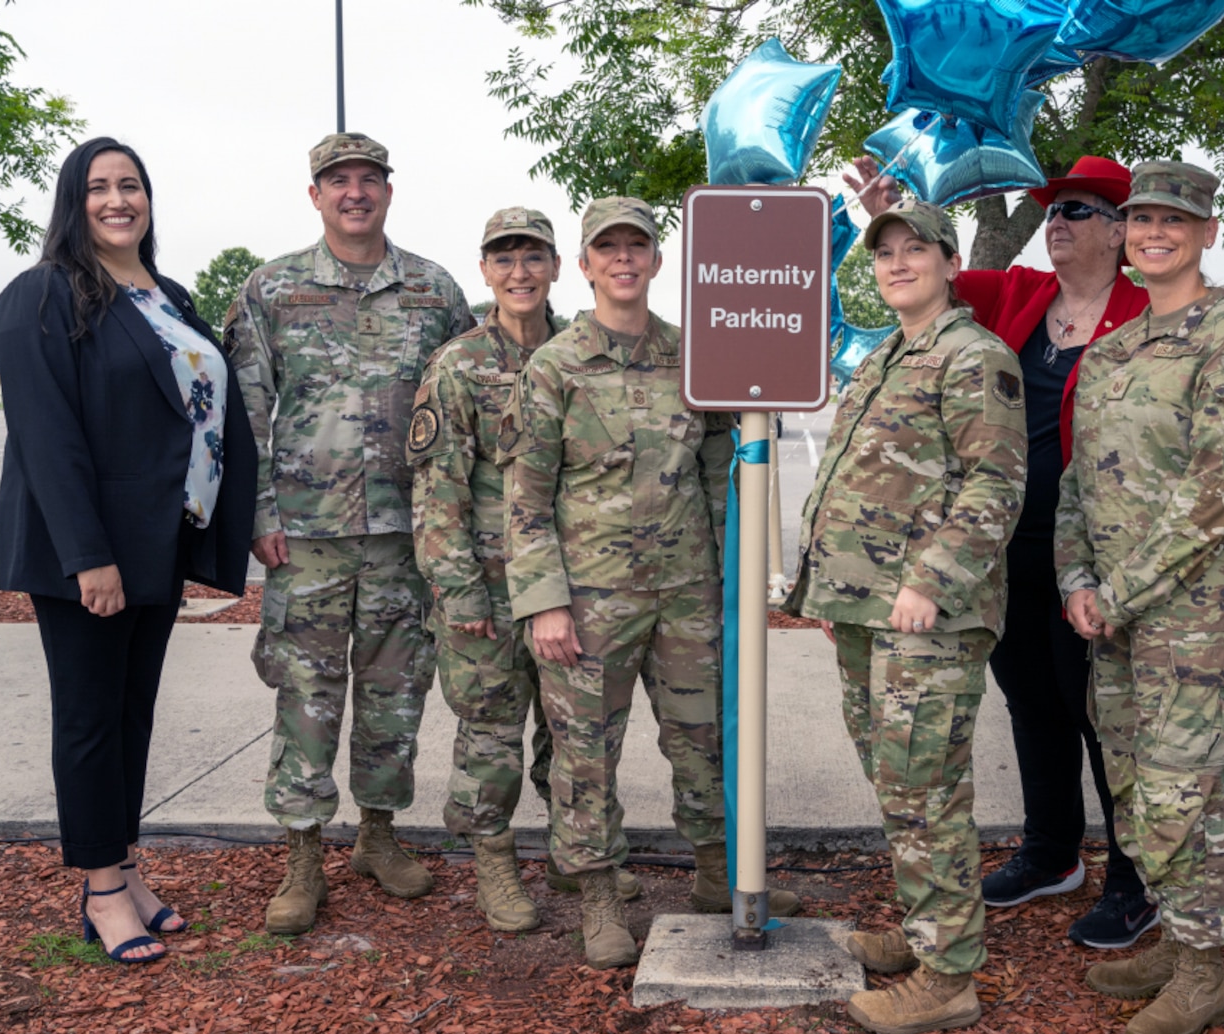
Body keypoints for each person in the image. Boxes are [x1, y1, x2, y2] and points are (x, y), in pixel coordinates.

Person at [847, 155, 1154, 943]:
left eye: (1078, 211)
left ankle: (1134, 875)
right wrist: (889, 210)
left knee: (1103, 715)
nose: (1057, 222)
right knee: (1033, 702)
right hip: (1011, 546)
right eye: (1053, 211)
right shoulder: (1020, 294)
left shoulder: (1149, 314)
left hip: (1100, 551)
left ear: (1120, 231)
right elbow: (922, 277)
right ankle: (1052, 850)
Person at [503, 196, 800, 969]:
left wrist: (735, 577)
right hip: (590, 600)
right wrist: (544, 603)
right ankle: (599, 892)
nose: (624, 259)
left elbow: (718, 468)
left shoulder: (696, 356)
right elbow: (527, 497)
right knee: (585, 754)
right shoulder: (555, 366)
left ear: (658, 261)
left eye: (637, 246)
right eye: (609, 248)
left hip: (687, 592)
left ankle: (716, 872)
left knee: (706, 739)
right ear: (587, 263)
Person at [0, 137, 256, 963]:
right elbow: (47, 438)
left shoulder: (167, 294)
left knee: (132, 713)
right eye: (98, 187)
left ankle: (126, 867)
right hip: (90, 552)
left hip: (157, 540)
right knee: (90, 717)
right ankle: (103, 891)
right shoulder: (39, 296)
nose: (117, 200)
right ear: (74, 201)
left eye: (130, 185)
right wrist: (87, 557)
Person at [787, 196, 1027, 1034]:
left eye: (913, 249)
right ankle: (929, 929)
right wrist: (827, 589)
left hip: (926, 619)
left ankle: (949, 978)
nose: (895, 261)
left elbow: (996, 485)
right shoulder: (889, 353)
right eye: (883, 250)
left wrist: (930, 579)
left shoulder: (973, 358)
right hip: (868, 614)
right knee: (899, 785)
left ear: (950, 262)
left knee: (925, 791)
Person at [226, 133, 474, 935]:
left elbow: (466, 411)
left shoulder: (434, 291)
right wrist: (259, 514)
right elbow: (246, 415)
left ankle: (377, 835)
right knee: (306, 694)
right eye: (339, 182)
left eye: (369, 179)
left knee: (396, 694)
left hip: (407, 534)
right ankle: (303, 853)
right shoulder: (272, 289)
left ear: (389, 193)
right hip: (307, 535)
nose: (355, 193)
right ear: (316, 196)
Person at [1055, 162, 1224, 1034]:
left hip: (1196, 614)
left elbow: (1218, 489)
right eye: (1142, 218)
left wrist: (1117, 591)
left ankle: (1202, 974)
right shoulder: (1112, 349)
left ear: (1207, 233)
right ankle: (1172, 934)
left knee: (1192, 788)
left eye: (1173, 221)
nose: (1155, 233)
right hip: (1114, 613)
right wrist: (1076, 580)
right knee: (1136, 783)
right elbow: (1077, 484)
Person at [409, 207, 640, 932]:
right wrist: (457, 592)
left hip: (570, 581)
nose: (519, 273)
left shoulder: (580, 353)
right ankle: (495, 861)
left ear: (555, 267)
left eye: (532, 258)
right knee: (490, 730)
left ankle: (577, 860)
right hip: (485, 583)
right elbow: (436, 488)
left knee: (572, 734)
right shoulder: (458, 364)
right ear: (484, 270)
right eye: (504, 260)